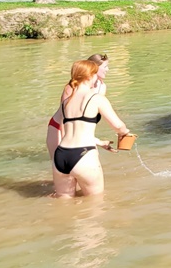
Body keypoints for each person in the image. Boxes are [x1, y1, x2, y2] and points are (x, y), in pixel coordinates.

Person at [52, 59, 131, 198]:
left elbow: (65, 127)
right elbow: (118, 126)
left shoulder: (66, 102)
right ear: (89, 76)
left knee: (63, 203)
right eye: (95, 74)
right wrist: (124, 133)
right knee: (95, 204)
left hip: (61, 155)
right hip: (84, 155)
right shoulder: (96, 98)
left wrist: (100, 142)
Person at [47, 53, 110, 165]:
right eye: (104, 67)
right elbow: (64, 116)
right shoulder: (72, 86)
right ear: (93, 68)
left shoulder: (102, 87)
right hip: (59, 127)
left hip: (79, 132)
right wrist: (64, 141)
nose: (107, 70)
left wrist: (96, 141)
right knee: (61, 166)